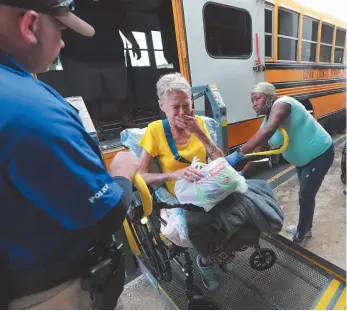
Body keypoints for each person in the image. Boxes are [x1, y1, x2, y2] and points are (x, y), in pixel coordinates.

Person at [0, 0, 141, 309]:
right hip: (46, 291)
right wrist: (122, 171)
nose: (63, 42)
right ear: (30, 25)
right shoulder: (30, 110)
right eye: (61, 30)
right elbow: (105, 214)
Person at [139, 73, 230, 291]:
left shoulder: (197, 123)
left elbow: (221, 161)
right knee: (201, 224)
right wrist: (174, 175)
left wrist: (199, 133)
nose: (182, 113)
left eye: (187, 106)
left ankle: (223, 252)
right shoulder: (155, 131)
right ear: (162, 106)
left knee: (235, 211)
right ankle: (206, 261)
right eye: (175, 107)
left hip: (206, 187)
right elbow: (142, 175)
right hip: (180, 195)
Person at [226, 82, 335, 247]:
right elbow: (258, 151)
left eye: (257, 98)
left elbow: (269, 130)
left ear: (270, 98)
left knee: (305, 195)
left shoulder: (284, 103)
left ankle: (301, 234)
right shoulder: (266, 120)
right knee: (306, 195)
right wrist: (242, 173)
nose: (254, 103)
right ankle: (306, 227)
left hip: (320, 154)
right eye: (252, 100)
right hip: (303, 161)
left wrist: (238, 154)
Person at [61, 0, 142, 132]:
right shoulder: (73, 4)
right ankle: (96, 124)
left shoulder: (113, 4)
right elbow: (64, 25)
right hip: (83, 57)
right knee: (91, 95)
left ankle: (126, 118)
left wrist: (134, 43)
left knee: (121, 92)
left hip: (113, 55)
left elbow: (123, 24)